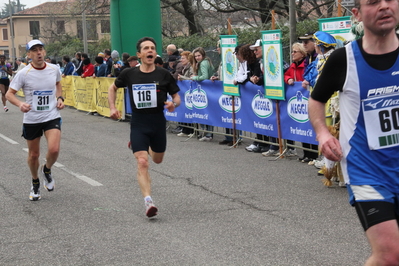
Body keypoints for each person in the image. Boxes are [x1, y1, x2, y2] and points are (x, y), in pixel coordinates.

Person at [309, 0, 399, 263]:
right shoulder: (343, 59)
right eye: (373, 2)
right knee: (391, 254)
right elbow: (316, 100)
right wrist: (323, 134)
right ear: (357, 14)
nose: (384, 6)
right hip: (367, 171)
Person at [108, 37, 181, 218]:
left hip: (157, 123)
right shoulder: (129, 74)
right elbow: (112, 88)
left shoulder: (164, 74)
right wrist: (112, 107)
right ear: (139, 54)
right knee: (142, 162)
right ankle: (148, 201)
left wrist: (173, 104)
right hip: (139, 123)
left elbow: (177, 97)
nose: (150, 51)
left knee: (157, 160)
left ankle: (140, 145)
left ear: (156, 53)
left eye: (153, 48)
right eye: (146, 48)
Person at [6, 40, 64, 201]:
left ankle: (46, 169)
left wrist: (59, 97)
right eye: (34, 50)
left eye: (41, 49)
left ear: (44, 52)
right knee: (33, 155)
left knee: (53, 150)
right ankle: (35, 181)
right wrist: (20, 104)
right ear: (28, 55)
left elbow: (58, 83)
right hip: (32, 118)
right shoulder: (23, 73)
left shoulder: (54, 69)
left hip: (52, 115)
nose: (38, 52)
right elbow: (9, 94)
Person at [282, 42, 308, 157]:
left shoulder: (307, 65)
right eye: (292, 51)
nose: (292, 54)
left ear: (302, 54)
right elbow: (285, 75)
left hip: (306, 101)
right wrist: (288, 79)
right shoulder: (292, 66)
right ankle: (296, 150)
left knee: (306, 126)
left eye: (295, 51)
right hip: (295, 102)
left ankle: (311, 154)